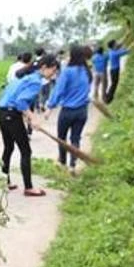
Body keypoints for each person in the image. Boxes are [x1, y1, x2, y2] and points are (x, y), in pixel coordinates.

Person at [0, 54, 59, 196]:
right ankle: (29, 188)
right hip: (11, 115)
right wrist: (33, 117)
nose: (53, 74)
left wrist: (27, 117)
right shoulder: (35, 81)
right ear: (44, 68)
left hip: (2, 114)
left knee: (9, 148)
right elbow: (20, 102)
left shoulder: (25, 76)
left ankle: (4, 182)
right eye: (53, 70)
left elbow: (15, 99)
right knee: (26, 151)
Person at [44, 45, 92, 175]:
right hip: (82, 111)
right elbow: (88, 91)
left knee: (62, 138)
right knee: (75, 139)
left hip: (68, 112)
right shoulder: (87, 71)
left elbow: (58, 90)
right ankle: (73, 165)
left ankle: (63, 163)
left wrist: (50, 107)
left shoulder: (67, 71)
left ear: (72, 56)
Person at [104, 37, 134, 104]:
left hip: (113, 70)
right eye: (116, 42)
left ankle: (108, 96)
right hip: (115, 70)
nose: (117, 43)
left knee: (113, 84)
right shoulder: (115, 53)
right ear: (114, 45)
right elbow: (128, 50)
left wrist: (128, 34)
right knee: (114, 84)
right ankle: (108, 99)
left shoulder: (112, 51)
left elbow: (121, 43)